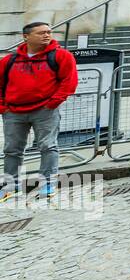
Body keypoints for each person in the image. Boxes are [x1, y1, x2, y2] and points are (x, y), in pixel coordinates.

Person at [1, 22, 78, 202]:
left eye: (49, 32)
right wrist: (3, 106)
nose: (47, 35)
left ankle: (47, 184)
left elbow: (69, 81)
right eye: (41, 33)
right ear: (26, 36)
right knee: (12, 149)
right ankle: (10, 186)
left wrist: (53, 103)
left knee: (48, 146)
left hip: (45, 111)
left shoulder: (61, 56)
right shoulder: (9, 60)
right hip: (14, 112)